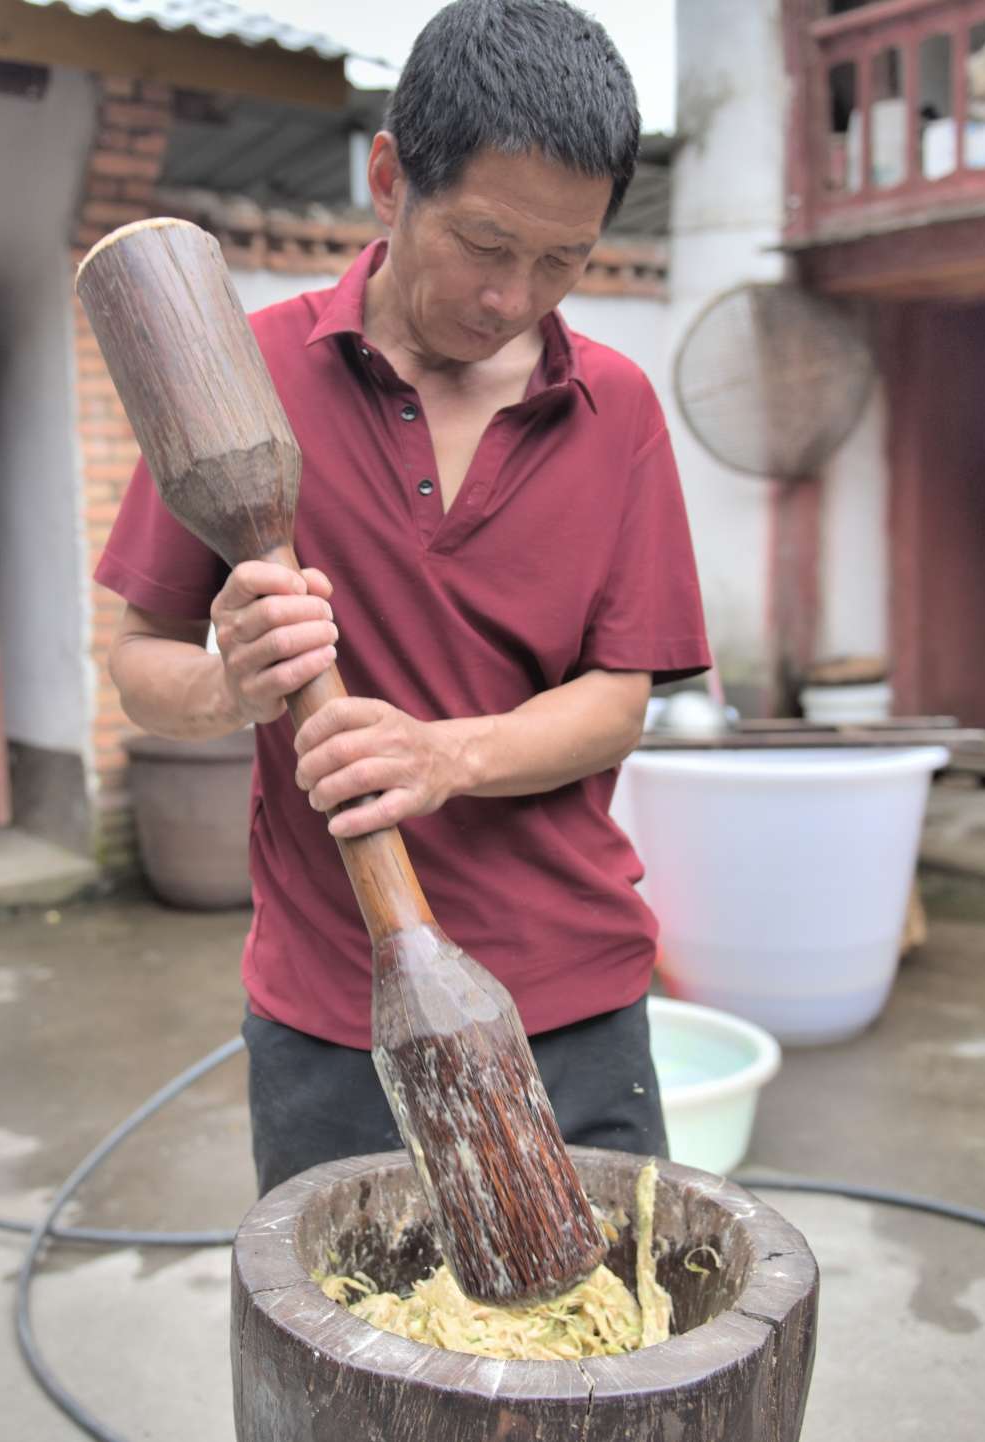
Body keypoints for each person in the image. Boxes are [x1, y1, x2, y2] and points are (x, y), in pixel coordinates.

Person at [94, 0, 710, 1195]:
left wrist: (445, 756)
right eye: (486, 243)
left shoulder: (618, 406)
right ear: (389, 178)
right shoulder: (245, 377)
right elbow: (140, 667)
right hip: (336, 1013)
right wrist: (230, 685)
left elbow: (618, 698)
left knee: (605, 1356)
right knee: (357, 1368)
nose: (513, 296)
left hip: (577, 999)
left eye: (563, 259)